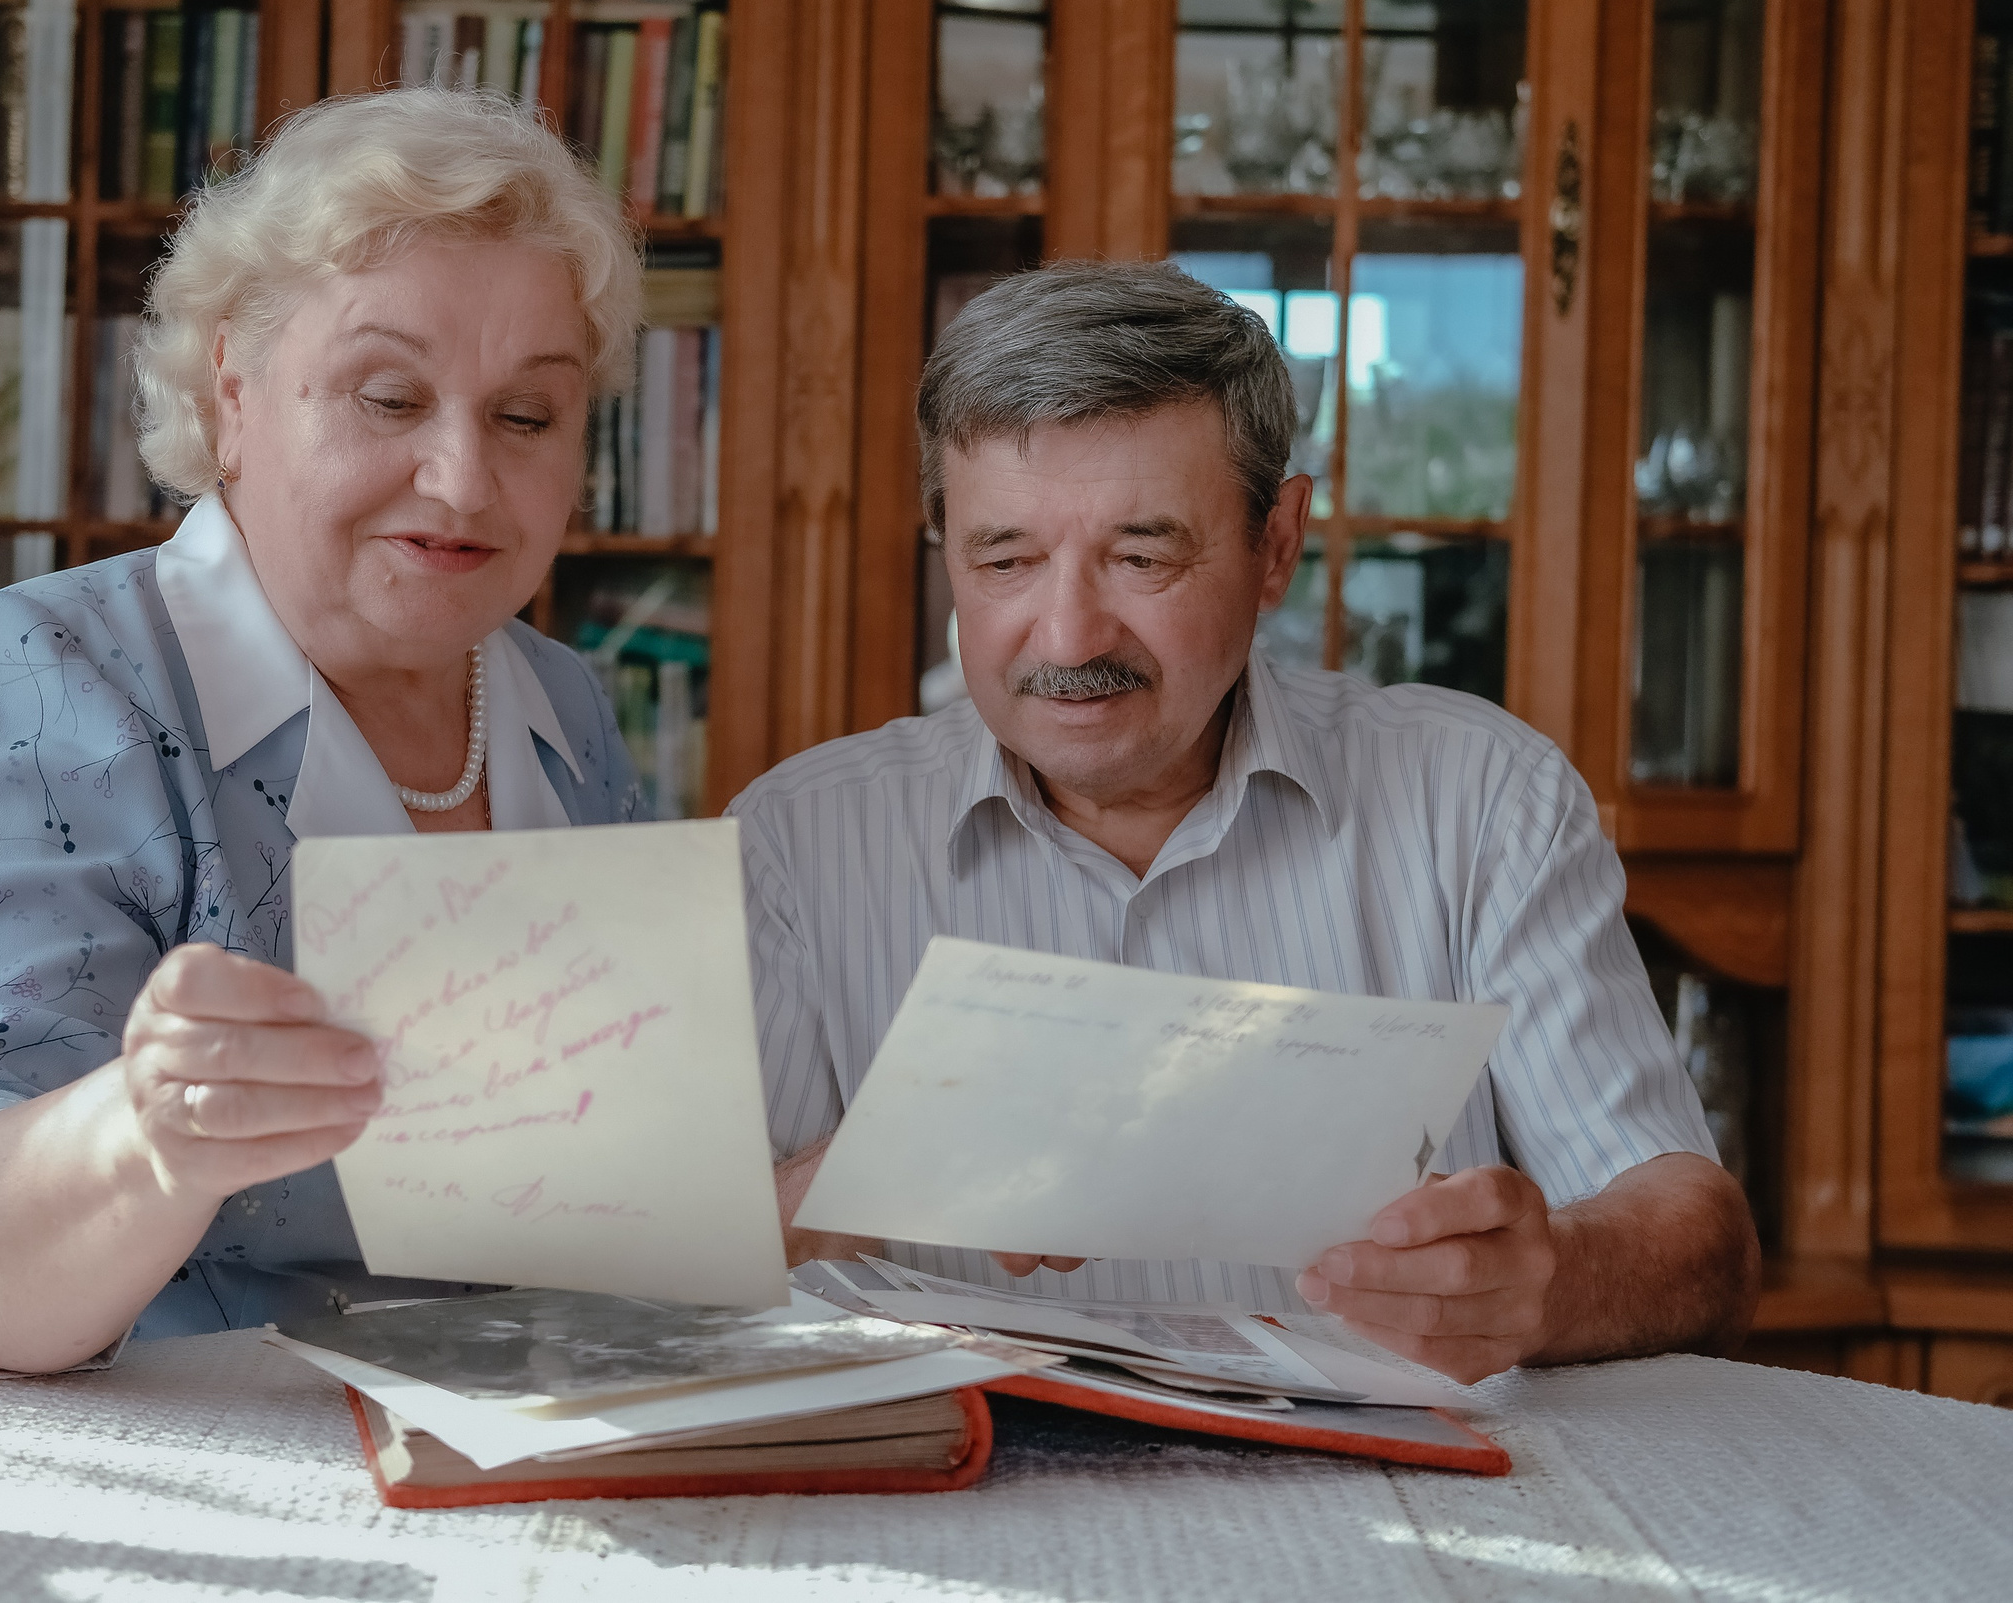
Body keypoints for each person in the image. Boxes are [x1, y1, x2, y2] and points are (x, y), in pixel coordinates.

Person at [735, 259, 1759, 1385]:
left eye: (1142, 555)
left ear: (1275, 545)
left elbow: (1699, 1240)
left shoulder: (1481, 801)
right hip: (963, 1514)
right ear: (945, 547)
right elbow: (636, 1295)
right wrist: (870, 1169)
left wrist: (1547, 1280)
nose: (1068, 637)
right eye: (1006, 559)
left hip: (1394, 1523)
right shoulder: (792, 844)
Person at [0, 89, 647, 1394]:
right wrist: (146, 1133)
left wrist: (821, 1192)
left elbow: (598, 1196)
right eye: (388, 394)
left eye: (527, 416)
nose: (466, 479)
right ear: (233, 392)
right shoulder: (34, 680)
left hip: (450, 1477)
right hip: (44, 1500)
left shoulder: (563, 713)